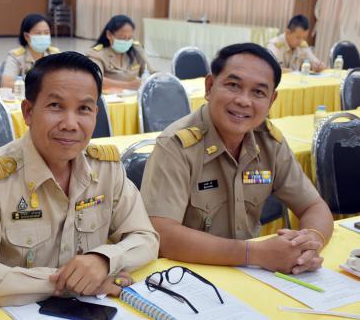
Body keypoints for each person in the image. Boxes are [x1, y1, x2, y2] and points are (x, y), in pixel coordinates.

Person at [0, 51, 159, 306]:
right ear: (28, 112)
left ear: (96, 113)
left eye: (84, 108)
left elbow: (146, 238)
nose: (71, 124)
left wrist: (104, 260)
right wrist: (72, 282)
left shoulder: (107, 168)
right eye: (55, 106)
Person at [141, 43, 333, 275]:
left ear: (271, 101)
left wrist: (310, 243)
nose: (244, 100)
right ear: (210, 86)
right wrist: (256, 254)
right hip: (188, 276)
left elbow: (314, 206)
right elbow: (164, 234)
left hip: (251, 274)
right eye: (233, 85)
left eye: (258, 92)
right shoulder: (176, 146)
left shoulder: (270, 142)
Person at [87, 15, 154, 91]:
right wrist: (128, 85)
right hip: (110, 100)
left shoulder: (136, 50)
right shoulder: (96, 54)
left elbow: (150, 73)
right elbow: (96, 80)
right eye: (122, 38)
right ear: (109, 35)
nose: (126, 41)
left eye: (129, 38)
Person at [1, 14, 60, 89]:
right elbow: (6, 84)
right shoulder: (16, 56)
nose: (43, 36)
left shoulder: (55, 54)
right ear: (26, 36)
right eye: (38, 33)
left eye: (46, 33)